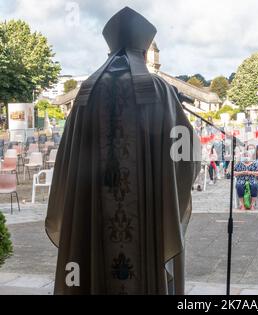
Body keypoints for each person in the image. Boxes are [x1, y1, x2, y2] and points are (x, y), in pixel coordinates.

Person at [45, 7, 200, 295]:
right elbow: (187, 153)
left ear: (111, 54)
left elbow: (65, 165)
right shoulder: (159, 91)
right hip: (147, 223)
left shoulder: (85, 95)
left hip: (93, 224)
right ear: (143, 54)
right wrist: (170, 186)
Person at [235, 145, 258, 210]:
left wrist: (251, 172)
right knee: (239, 186)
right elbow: (234, 173)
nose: (246, 157)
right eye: (245, 156)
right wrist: (241, 173)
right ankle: (242, 205)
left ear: (251, 156)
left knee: (254, 186)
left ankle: (252, 205)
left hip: (252, 179)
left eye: (248, 156)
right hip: (241, 179)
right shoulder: (239, 163)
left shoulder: (255, 163)